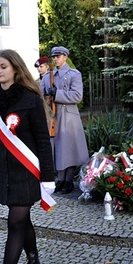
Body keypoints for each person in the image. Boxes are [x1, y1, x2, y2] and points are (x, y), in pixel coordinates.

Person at [0, 49, 56, 264]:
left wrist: (48, 177)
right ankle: (34, 262)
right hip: (4, 172)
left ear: (15, 68)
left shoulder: (30, 99)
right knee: (21, 221)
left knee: (14, 222)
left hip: (26, 172)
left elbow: (43, 142)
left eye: (3, 66)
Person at [39, 46, 89, 193]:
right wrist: (47, 97)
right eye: (54, 56)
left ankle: (68, 179)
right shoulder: (48, 77)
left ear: (65, 57)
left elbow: (77, 96)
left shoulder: (74, 74)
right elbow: (40, 96)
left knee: (69, 148)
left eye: (59, 56)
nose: (56, 59)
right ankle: (60, 178)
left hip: (69, 116)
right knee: (57, 148)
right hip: (54, 117)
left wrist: (58, 93)